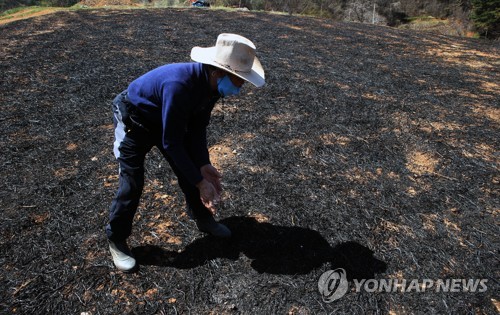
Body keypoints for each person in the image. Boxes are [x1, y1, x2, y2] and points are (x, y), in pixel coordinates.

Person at [106, 33, 265, 272]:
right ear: (218, 72)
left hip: (166, 118)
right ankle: (116, 239)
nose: (239, 89)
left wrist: (203, 164)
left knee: (191, 170)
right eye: (238, 82)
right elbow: (172, 142)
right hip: (135, 119)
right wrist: (201, 182)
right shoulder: (179, 85)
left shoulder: (211, 87)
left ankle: (203, 218)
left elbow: (197, 128)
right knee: (131, 183)